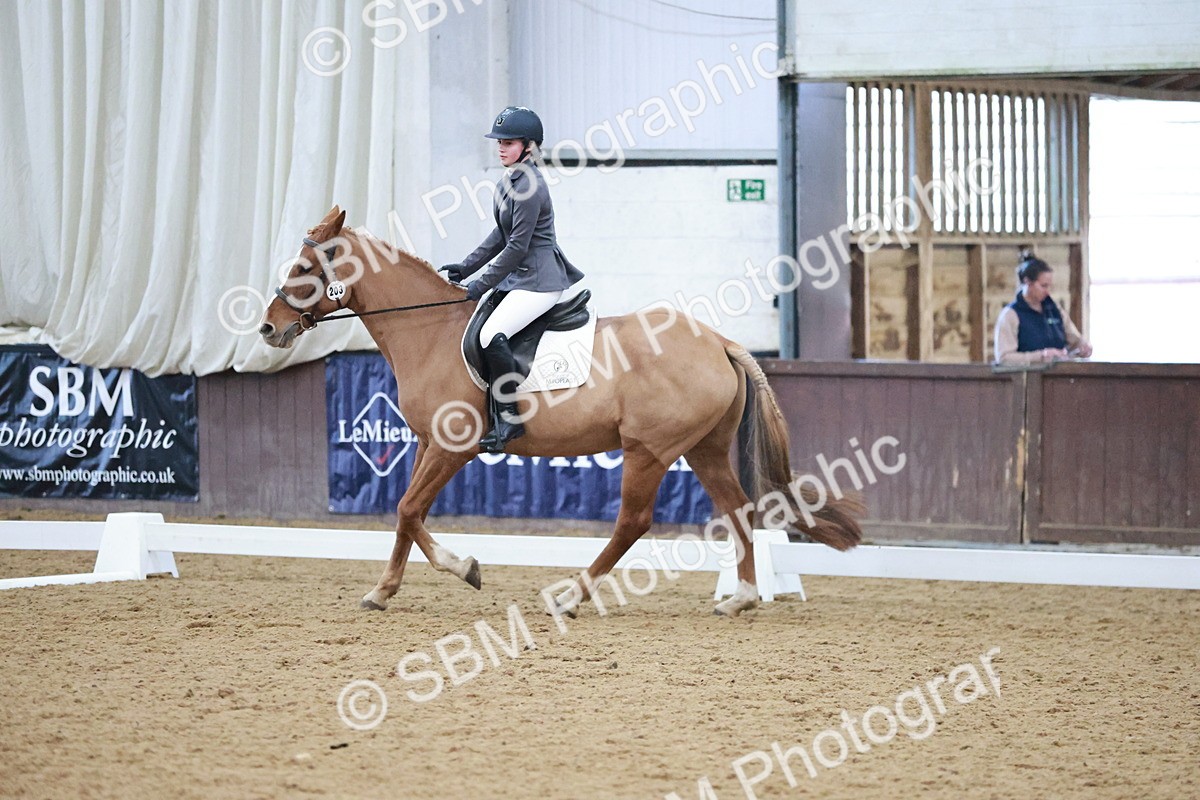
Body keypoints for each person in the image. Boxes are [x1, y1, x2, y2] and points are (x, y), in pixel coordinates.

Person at [439, 106, 585, 453]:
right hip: (519, 280)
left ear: (529, 146)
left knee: (491, 334)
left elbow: (518, 247)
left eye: (509, 142)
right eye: (499, 142)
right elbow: (499, 235)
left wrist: (479, 285)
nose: (501, 148)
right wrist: (466, 266)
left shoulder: (531, 186)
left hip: (540, 282)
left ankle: (509, 420)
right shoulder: (511, 180)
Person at [993, 250, 1092, 365]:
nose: (1047, 291)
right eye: (1043, 286)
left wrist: (1083, 347)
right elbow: (1004, 358)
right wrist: (1040, 356)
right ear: (1028, 282)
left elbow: (1074, 340)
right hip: (1027, 380)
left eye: (1049, 286)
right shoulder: (1011, 315)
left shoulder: (1055, 310)